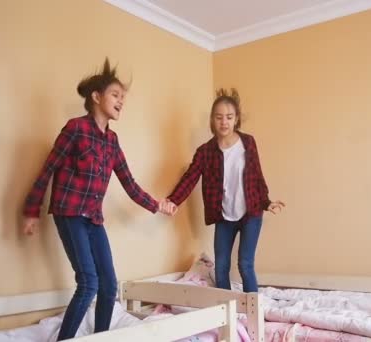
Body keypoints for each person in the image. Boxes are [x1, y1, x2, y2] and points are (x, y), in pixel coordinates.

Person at [21, 58, 173, 340]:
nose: (121, 101)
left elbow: (129, 183)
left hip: (93, 217)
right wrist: (31, 211)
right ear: (96, 96)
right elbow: (48, 169)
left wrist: (157, 204)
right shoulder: (75, 129)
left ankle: (100, 337)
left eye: (123, 98)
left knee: (109, 286)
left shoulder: (112, 141)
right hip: (70, 213)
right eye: (115, 95)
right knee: (89, 282)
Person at [166, 88, 285, 293]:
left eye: (229, 117)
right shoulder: (205, 152)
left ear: (236, 119)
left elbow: (257, 176)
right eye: (219, 117)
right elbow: (190, 178)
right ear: (213, 120)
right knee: (221, 268)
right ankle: (226, 310)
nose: (224, 122)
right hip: (224, 217)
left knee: (245, 264)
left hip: (251, 213)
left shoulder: (248, 143)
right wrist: (173, 200)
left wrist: (267, 202)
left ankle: (252, 311)